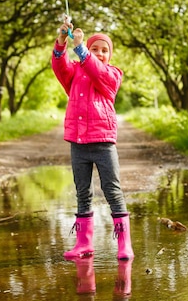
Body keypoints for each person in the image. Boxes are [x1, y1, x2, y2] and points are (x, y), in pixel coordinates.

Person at [51, 15, 134, 261]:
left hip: (103, 142)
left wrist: (82, 49)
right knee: (82, 191)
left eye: (104, 50)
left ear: (110, 55)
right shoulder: (76, 72)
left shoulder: (112, 74)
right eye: (94, 48)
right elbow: (60, 67)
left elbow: (97, 72)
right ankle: (84, 243)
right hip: (78, 143)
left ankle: (124, 244)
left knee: (112, 190)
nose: (99, 53)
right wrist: (62, 41)